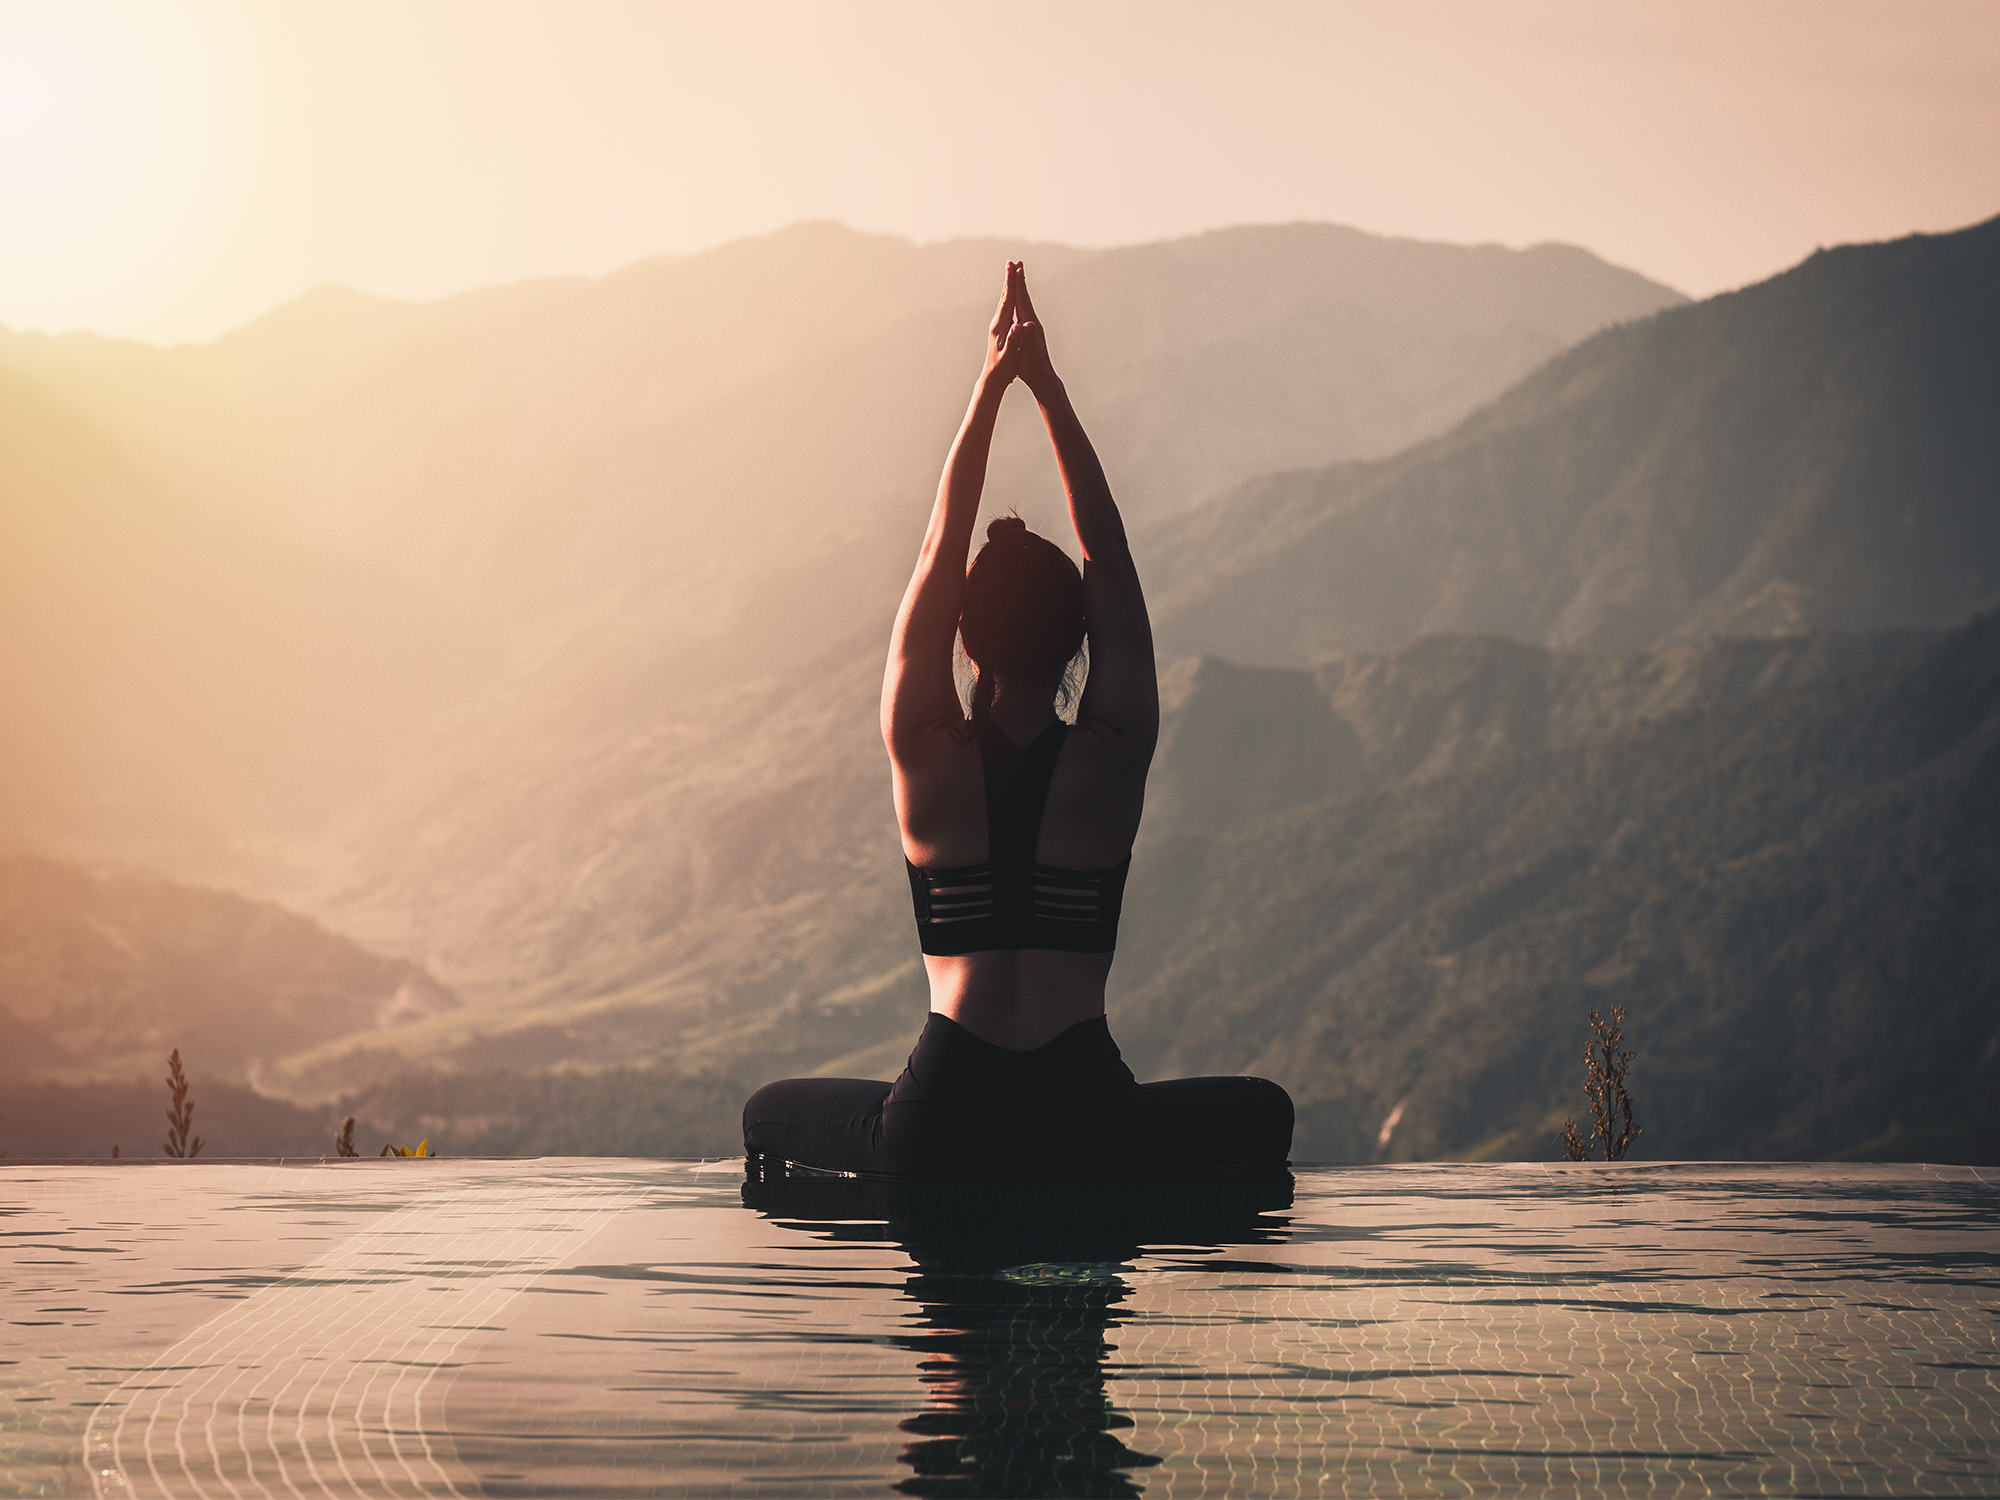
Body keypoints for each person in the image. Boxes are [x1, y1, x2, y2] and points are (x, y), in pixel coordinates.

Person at [743, 262, 1292, 1181]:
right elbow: (1107, 550)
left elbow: (936, 548)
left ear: (965, 633)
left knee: (767, 1115)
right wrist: (1049, 389)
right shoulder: (1111, 753)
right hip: (1086, 1118)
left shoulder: (924, 753)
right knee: (1263, 1113)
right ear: (1078, 633)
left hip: (942, 1118)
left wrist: (989, 386)